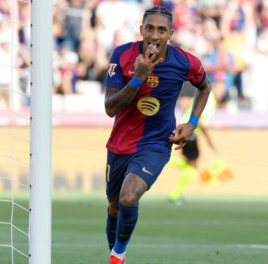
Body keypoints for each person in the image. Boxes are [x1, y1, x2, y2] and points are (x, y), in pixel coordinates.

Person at [103, 6, 211, 264]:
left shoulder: (185, 62)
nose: (154, 34)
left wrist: (192, 123)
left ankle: (117, 255)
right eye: (149, 28)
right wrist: (138, 78)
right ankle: (117, 255)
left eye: (161, 29)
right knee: (115, 206)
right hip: (120, 143)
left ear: (170, 34)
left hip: (156, 143)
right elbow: (110, 108)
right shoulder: (122, 55)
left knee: (129, 197)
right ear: (141, 30)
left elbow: (205, 87)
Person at [168, 83, 217, 205]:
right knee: (193, 167)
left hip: (188, 132)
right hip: (190, 133)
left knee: (190, 165)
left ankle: (165, 161)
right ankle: (175, 195)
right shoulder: (208, 98)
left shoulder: (204, 95)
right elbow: (199, 120)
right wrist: (208, 138)